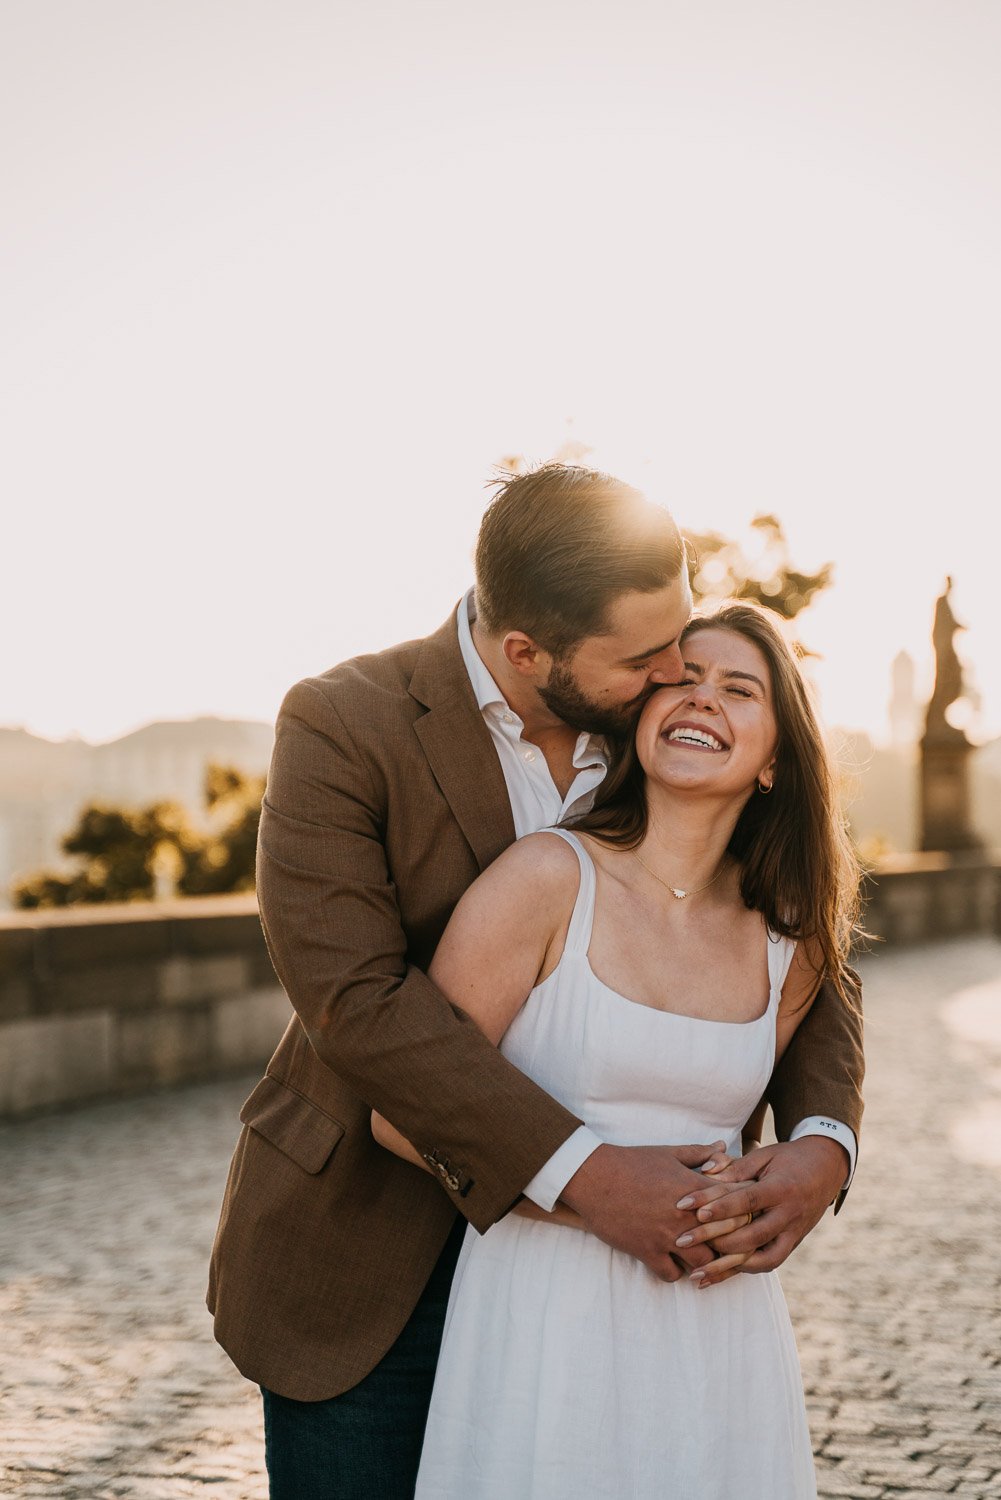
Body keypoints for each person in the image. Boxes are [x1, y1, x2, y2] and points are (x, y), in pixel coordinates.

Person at [207, 465, 863, 1499]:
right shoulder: (344, 723)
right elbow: (357, 1004)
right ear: (527, 653)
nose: (672, 672)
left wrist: (823, 1142)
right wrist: (592, 1180)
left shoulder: (652, 724)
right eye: (646, 658)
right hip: (371, 1252)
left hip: (631, 1296)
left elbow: (785, 934)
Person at [374, 601, 863, 1497]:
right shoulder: (544, 879)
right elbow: (407, 1111)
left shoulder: (787, 941)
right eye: (683, 680)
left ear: (774, 761)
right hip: (541, 1317)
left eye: (739, 690)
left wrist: (814, 1153)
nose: (702, 698)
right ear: (639, 718)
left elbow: (815, 1076)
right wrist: (593, 1199)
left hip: (719, 1333)